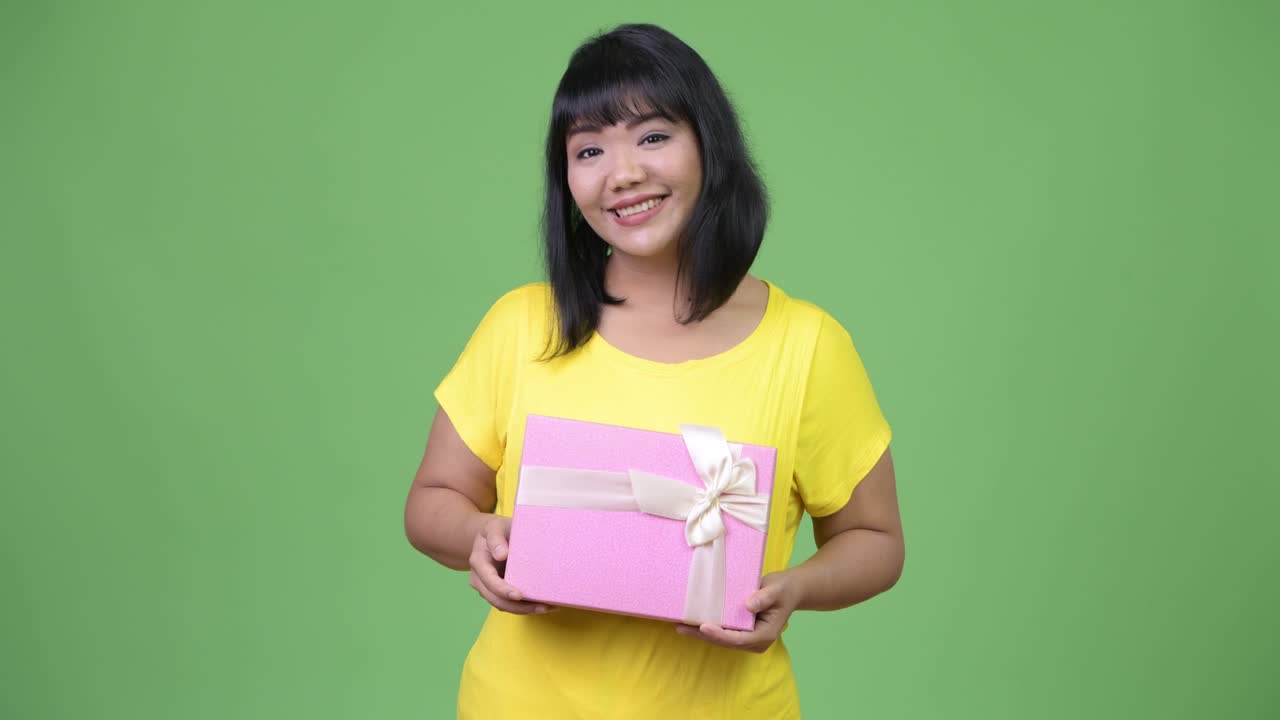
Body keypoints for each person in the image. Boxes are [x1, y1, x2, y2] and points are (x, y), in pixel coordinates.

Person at [404, 22, 904, 719]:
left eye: (652, 136)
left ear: (708, 143)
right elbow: (431, 502)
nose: (624, 174)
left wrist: (793, 589)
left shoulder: (807, 344)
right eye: (588, 150)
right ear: (566, 178)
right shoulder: (522, 327)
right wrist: (477, 536)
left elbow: (876, 541)